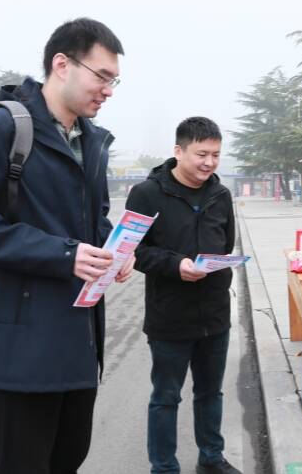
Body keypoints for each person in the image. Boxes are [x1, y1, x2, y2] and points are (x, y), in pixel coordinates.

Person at [0, 18, 133, 474]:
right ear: (62, 65)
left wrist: (114, 249)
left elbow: (92, 219)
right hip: (19, 349)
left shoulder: (91, 142)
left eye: (115, 81)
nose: (108, 90)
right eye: (102, 76)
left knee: (68, 459)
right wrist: (65, 254)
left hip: (78, 341)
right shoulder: (1, 128)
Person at [125, 117, 241, 474]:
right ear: (179, 151)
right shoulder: (146, 194)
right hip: (170, 316)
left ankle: (211, 457)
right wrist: (176, 265)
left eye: (216, 155)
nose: (209, 163)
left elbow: (226, 244)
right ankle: (164, 466)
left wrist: (218, 265)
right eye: (201, 154)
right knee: (166, 397)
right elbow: (133, 251)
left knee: (210, 392)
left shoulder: (221, 195)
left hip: (215, 313)